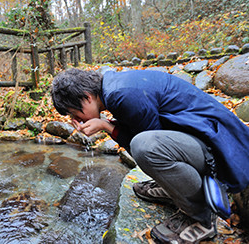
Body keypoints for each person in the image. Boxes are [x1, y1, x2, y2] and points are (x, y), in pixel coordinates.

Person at [51, 68, 249, 244]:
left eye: (74, 113)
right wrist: (106, 124)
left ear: (86, 97)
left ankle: (201, 217)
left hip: (215, 148)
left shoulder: (121, 95)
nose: (75, 120)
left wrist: (105, 126)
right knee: (146, 146)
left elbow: (148, 145)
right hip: (202, 140)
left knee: (144, 147)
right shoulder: (114, 87)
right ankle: (174, 189)